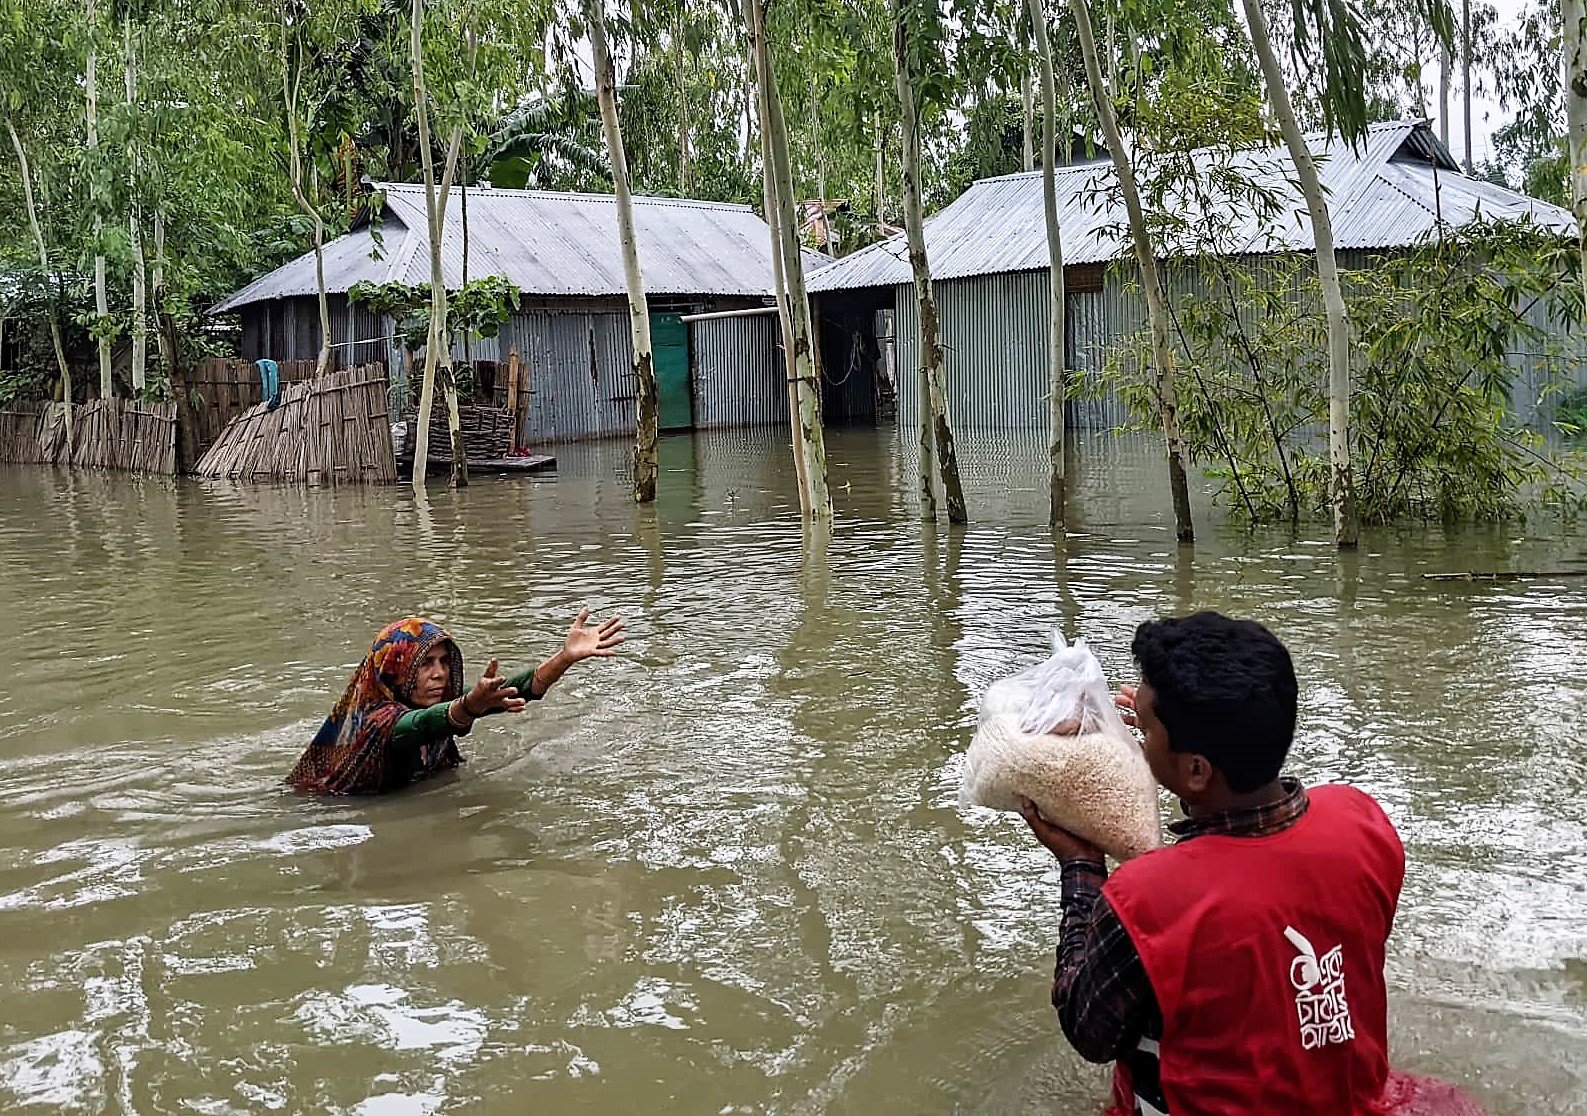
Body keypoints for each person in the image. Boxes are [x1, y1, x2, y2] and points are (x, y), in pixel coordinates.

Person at [1019, 610, 1422, 1116]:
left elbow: (1089, 1031)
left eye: (1144, 730)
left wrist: (1081, 869)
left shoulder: (1144, 899)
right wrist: (1165, 732)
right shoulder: (1362, 821)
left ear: (1195, 770)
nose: (1137, 737)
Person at [287, 609, 624, 795]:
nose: (440, 674)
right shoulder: (379, 721)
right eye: (425, 664)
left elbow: (519, 689)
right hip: (335, 809)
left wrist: (564, 658)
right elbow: (421, 725)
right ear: (395, 669)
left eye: (444, 662)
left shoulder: (440, 703)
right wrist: (471, 706)